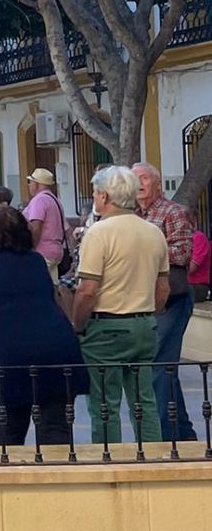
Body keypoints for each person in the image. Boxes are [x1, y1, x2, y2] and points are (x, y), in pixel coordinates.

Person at [0, 205, 87, 445]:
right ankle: (59, 478)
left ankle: (9, 481)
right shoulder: (35, 262)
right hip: (54, 350)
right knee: (55, 428)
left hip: (8, 357)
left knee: (9, 431)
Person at [73, 164, 170, 445]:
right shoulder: (153, 232)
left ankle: (109, 459)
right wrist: (150, 313)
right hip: (143, 322)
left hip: (107, 325)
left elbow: (87, 290)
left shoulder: (99, 233)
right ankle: (151, 457)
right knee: (143, 400)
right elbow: (162, 287)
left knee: (104, 404)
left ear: (104, 196)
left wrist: (78, 325)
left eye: (95, 192)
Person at [133, 161, 197, 442]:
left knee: (158, 367)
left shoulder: (174, 212)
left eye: (144, 178)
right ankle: (183, 434)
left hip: (172, 300)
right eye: (135, 179)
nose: (140, 184)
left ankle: (164, 437)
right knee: (164, 368)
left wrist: (145, 252)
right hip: (145, 300)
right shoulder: (133, 215)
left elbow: (182, 253)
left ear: (157, 183)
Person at [22, 167, 68, 284]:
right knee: (52, 286)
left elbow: (36, 227)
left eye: (30, 182)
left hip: (42, 252)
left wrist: (29, 249)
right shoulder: (54, 200)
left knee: (34, 285)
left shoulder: (39, 200)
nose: (29, 185)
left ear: (36, 184)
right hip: (55, 251)